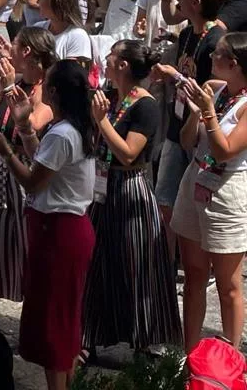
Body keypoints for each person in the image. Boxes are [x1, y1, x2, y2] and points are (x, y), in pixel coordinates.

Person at [0, 60, 95, 390]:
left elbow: (32, 181)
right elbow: (44, 160)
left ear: (55, 92)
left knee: (55, 321)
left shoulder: (62, 133)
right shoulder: (75, 127)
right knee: (64, 315)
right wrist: (25, 127)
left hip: (59, 232)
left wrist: (5, 147)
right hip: (64, 228)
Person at [82, 41, 181, 357]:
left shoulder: (146, 105)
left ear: (123, 64)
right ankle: (92, 336)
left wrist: (102, 121)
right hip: (104, 188)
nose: (106, 62)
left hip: (130, 189)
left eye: (110, 57)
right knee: (98, 262)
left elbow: (127, 153)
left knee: (137, 265)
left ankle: (144, 341)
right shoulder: (114, 98)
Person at [168, 32, 247, 351]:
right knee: (194, 276)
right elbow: (188, 142)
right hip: (195, 180)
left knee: (228, 285)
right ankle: (190, 355)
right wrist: (196, 113)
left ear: (234, 64)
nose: (211, 56)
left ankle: (231, 361)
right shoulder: (214, 91)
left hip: (226, 192)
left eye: (218, 54)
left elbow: (226, 149)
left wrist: (209, 113)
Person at [0, 28, 56, 321]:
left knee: (29, 253)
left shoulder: (49, 88)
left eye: (16, 45)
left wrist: (8, 89)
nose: (9, 50)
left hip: (29, 177)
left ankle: (35, 324)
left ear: (28, 52)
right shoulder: (12, 82)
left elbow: (32, 123)